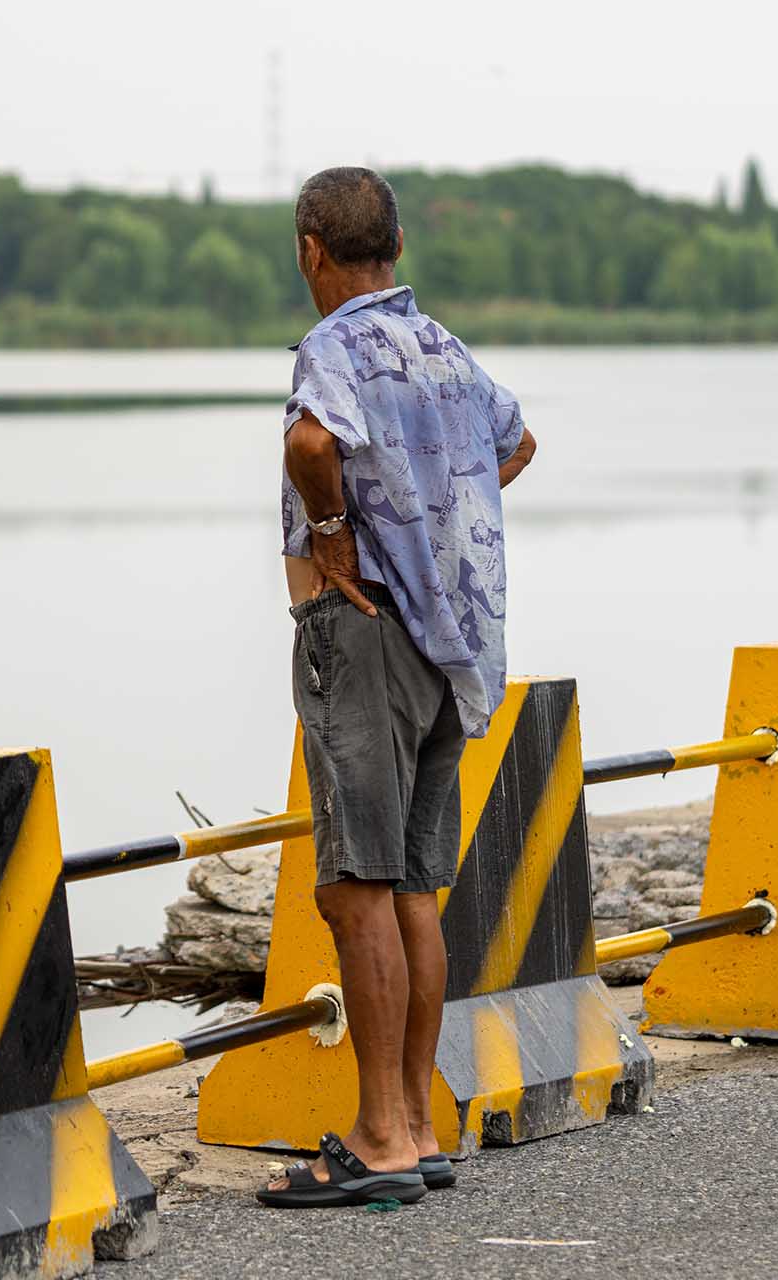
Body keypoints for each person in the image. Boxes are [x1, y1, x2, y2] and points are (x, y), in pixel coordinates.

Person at [258, 167, 537, 1209]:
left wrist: (339, 532)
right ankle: (415, 1125)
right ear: (400, 247)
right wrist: (431, 509)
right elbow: (517, 444)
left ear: (310, 250)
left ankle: (376, 1134)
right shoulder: (446, 348)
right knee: (416, 883)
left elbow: (310, 442)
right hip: (449, 638)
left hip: (366, 631)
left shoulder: (334, 350)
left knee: (357, 883)